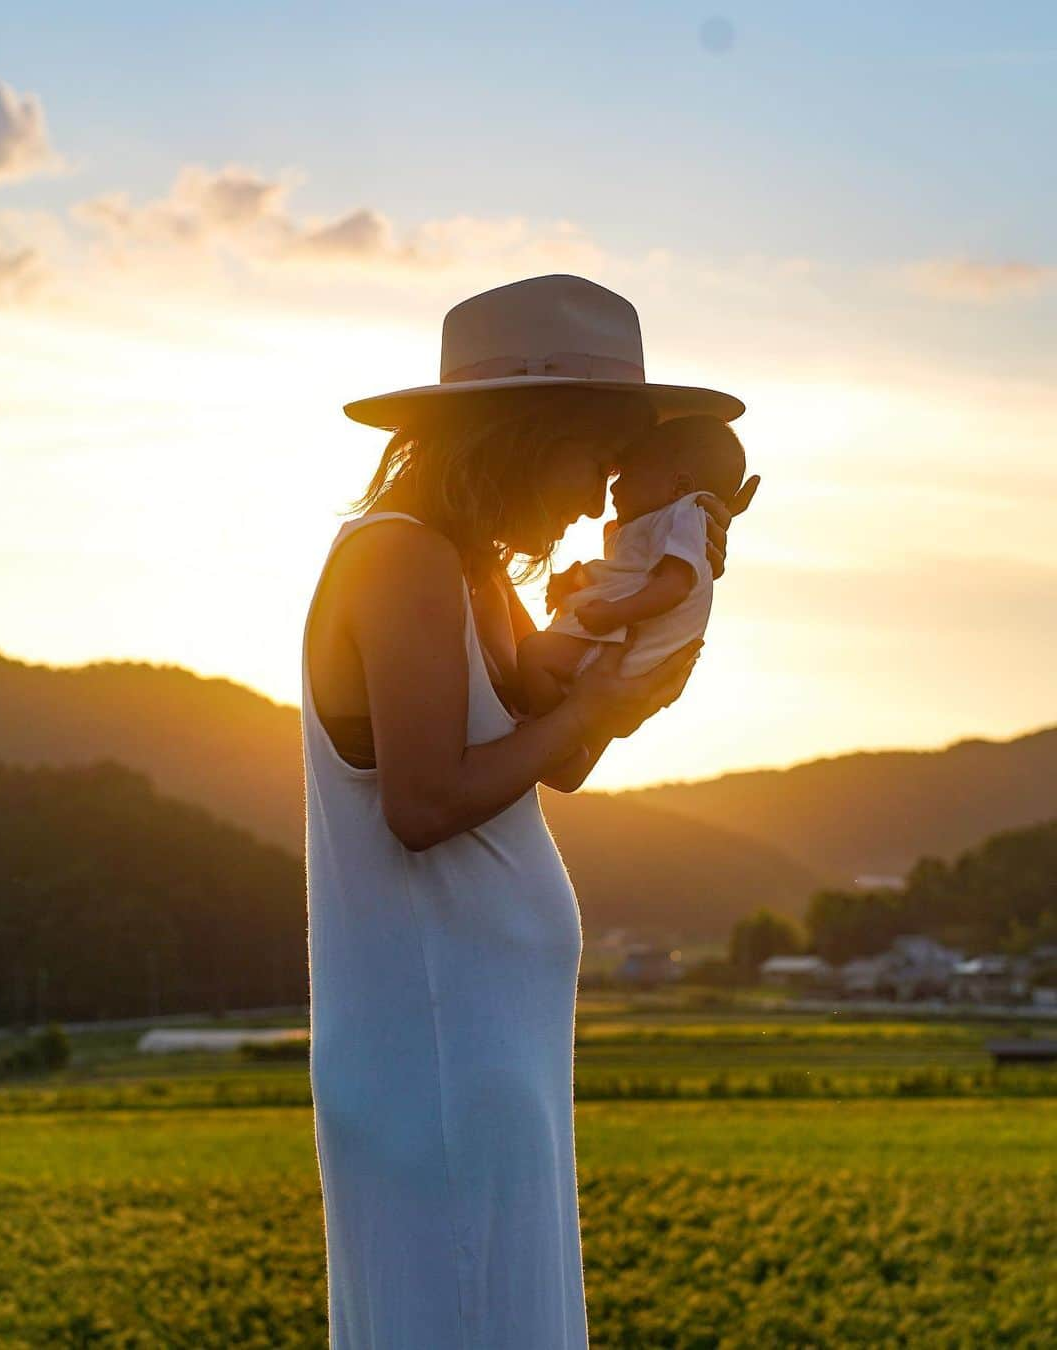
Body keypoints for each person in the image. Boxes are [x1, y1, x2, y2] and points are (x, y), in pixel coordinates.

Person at [301, 273, 758, 1349]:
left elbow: (562, 763)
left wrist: (632, 671)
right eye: (593, 464)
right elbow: (420, 805)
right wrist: (586, 704)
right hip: (438, 1053)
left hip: (483, 1046)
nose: (599, 503)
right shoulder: (402, 557)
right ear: (523, 431)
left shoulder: (463, 569)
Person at [517, 414, 749, 713]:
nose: (611, 491)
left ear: (679, 487)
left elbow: (674, 586)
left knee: (534, 655)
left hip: (622, 649)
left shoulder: (686, 514)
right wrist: (577, 582)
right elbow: (628, 577)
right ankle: (556, 728)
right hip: (618, 647)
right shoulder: (666, 524)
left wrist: (611, 614)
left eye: (623, 475)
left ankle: (546, 727)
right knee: (538, 659)